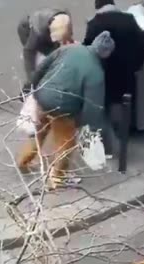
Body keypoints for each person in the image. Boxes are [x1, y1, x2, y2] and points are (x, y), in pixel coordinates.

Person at [16, 31, 115, 189]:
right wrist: (82, 125)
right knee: (66, 144)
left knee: (39, 132)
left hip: (43, 96)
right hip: (64, 109)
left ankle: (23, 161)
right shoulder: (96, 72)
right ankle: (58, 177)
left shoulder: (69, 49)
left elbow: (42, 67)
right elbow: (93, 107)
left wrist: (34, 88)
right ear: (106, 55)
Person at [83, 0, 144, 116]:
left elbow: (88, 53)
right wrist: (135, 65)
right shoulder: (129, 19)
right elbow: (143, 45)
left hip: (105, 78)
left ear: (97, 6)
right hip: (127, 74)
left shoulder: (94, 24)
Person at [17, 8, 74, 100]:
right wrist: (31, 79)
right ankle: (27, 91)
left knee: (56, 58)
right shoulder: (37, 33)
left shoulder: (65, 20)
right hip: (27, 30)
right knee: (39, 67)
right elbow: (28, 52)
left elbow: (66, 41)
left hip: (48, 28)